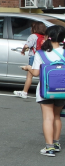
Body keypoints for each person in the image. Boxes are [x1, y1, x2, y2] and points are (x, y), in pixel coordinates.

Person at [31, 25, 65, 156]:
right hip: (62, 90)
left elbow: (35, 73)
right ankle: (56, 143)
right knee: (57, 116)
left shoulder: (41, 53)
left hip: (46, 90)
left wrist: (28, 68)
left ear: (47, 37)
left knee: (47, 117)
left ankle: (49, 147)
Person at [15, 21, 47, 99]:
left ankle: (24, 92)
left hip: (35, 57)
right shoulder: (45, 36)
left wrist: (23, 51)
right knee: (42, 75)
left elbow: (27, 45)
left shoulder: (33, 36)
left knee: (29, 75)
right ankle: (45, 91)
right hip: (44, 57)